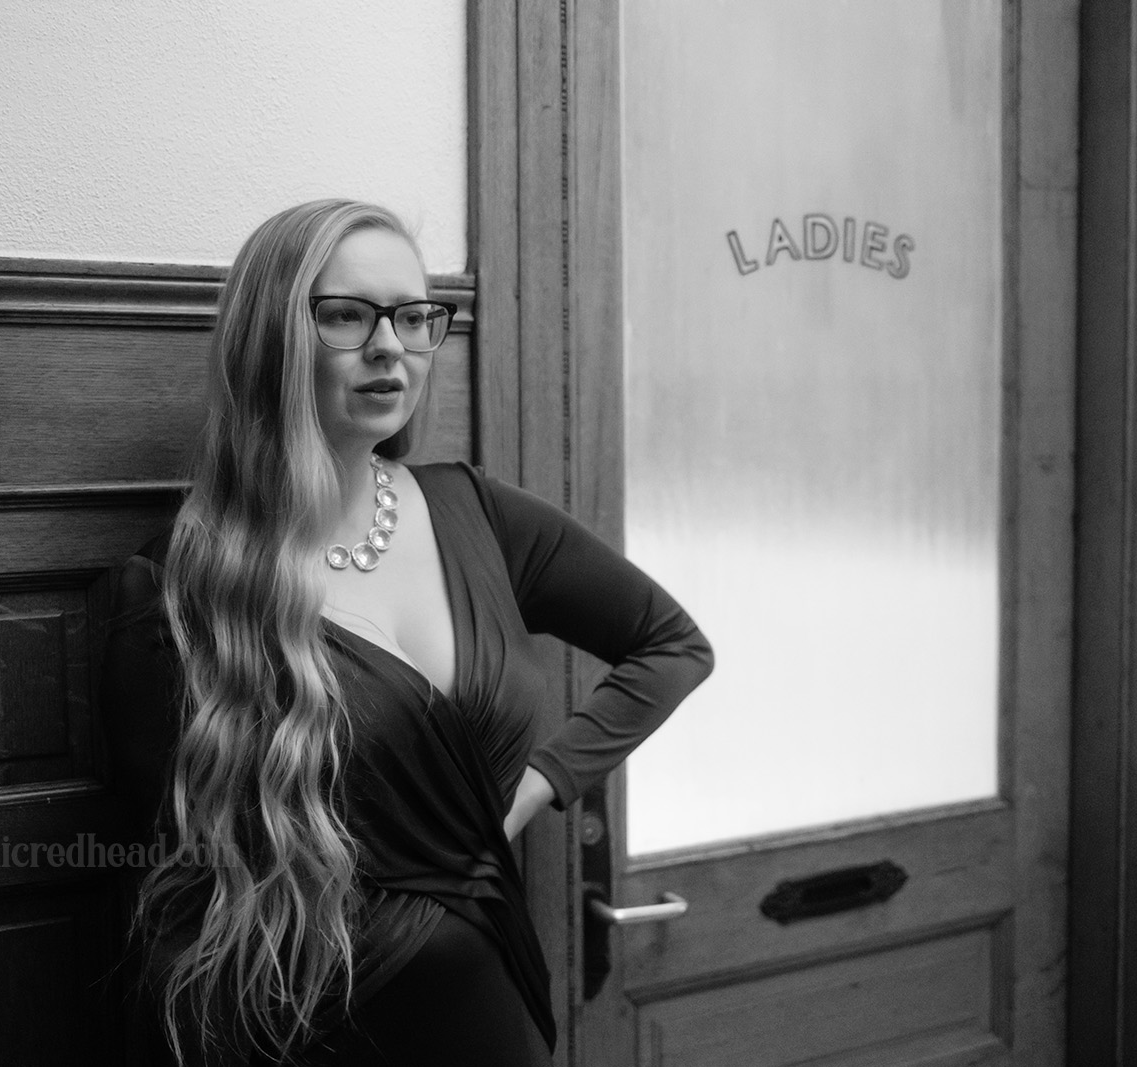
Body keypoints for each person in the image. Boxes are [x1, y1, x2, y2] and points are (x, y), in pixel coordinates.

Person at [100, 198, 714, 1066]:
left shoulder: (480, 514)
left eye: (416, 315)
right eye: (347, 314)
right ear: (271, 338)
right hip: (302, 1034)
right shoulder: (171, 592)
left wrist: (536, 785)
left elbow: (673, 645)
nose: (391, 345)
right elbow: (173, 901)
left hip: (493, 1010)